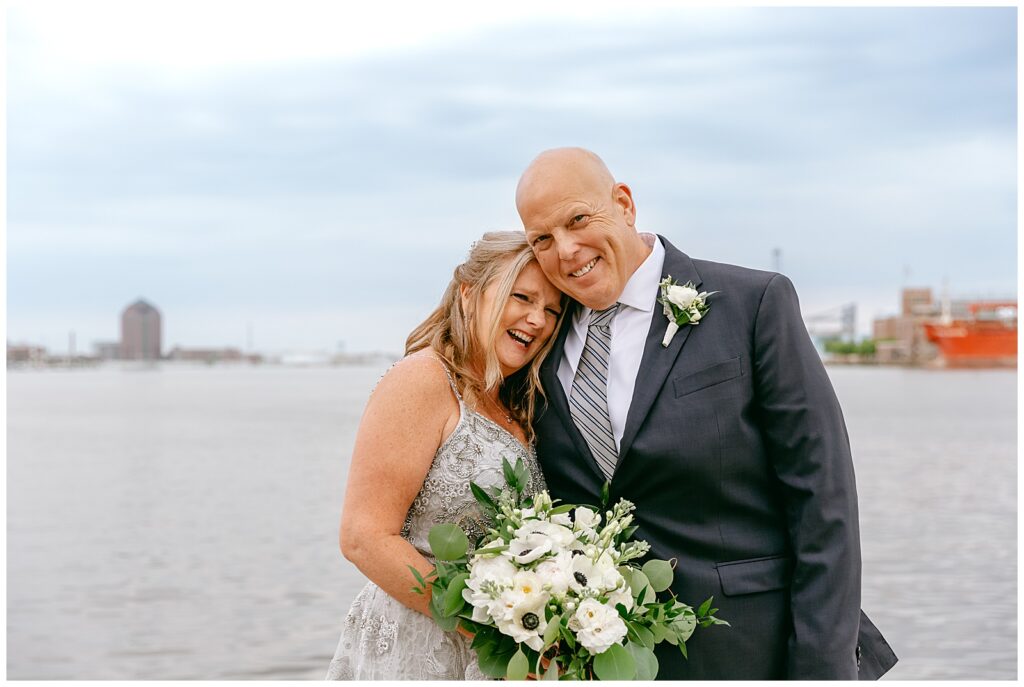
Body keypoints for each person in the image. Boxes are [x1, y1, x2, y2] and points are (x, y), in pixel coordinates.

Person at [515, 147, 898, 680]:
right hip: (600, 661)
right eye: (542, 239)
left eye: (577, 219)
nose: (566, 249)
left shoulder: (753, 304)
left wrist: (822, 670)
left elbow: (824, 501)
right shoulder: (538, 339)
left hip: (750, 650)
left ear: (624, 204)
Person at [324, 231, 565, 680]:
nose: (537, 320)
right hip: (423, 646)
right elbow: (364, 537)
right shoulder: (421, 380)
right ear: (469, 294)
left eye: (552, 310)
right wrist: (488, 629)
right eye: (522, 297)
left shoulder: (516, 403)